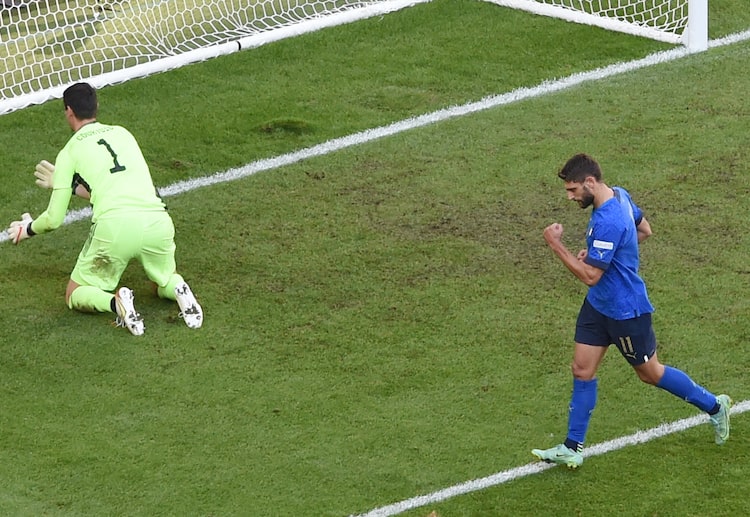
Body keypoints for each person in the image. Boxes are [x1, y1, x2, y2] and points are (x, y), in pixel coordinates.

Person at [531, 153, 730, 469]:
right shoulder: (620, 195)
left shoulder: (608, 219)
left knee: (651, 374)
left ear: (590, 183)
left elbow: (590, 276)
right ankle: (572, 447)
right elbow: (644, 230)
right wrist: (600, 255)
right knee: (582, 370)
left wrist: (556, 244)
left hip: (626, 312)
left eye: (573, 190)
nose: (569, 197)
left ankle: (715, 406)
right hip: (599, 307)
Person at [6, 82, 202, 336]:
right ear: (96, 106)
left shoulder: (69, 152)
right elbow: (123, 186)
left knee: (74, 293)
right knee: (160, 281)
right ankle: (177, 286)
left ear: (68, 112)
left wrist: (28, 229)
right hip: (157, 221)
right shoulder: (123, 133)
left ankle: (117, 302)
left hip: (114, 231)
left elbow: (54, 219)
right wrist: (73, 187)